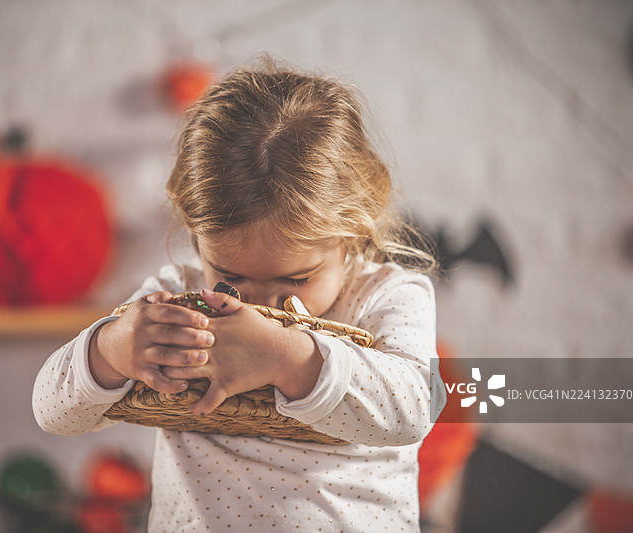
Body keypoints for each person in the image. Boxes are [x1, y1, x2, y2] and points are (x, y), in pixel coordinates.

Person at [33, 57, 445, 532]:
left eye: (296, 280)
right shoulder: (178, 295)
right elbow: (52, 413)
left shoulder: (385, 294)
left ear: (352, 233)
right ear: (196, 236)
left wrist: (287, 357)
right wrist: (112, 350)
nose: (260, 307)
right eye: (229, 278)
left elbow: (415, 409)